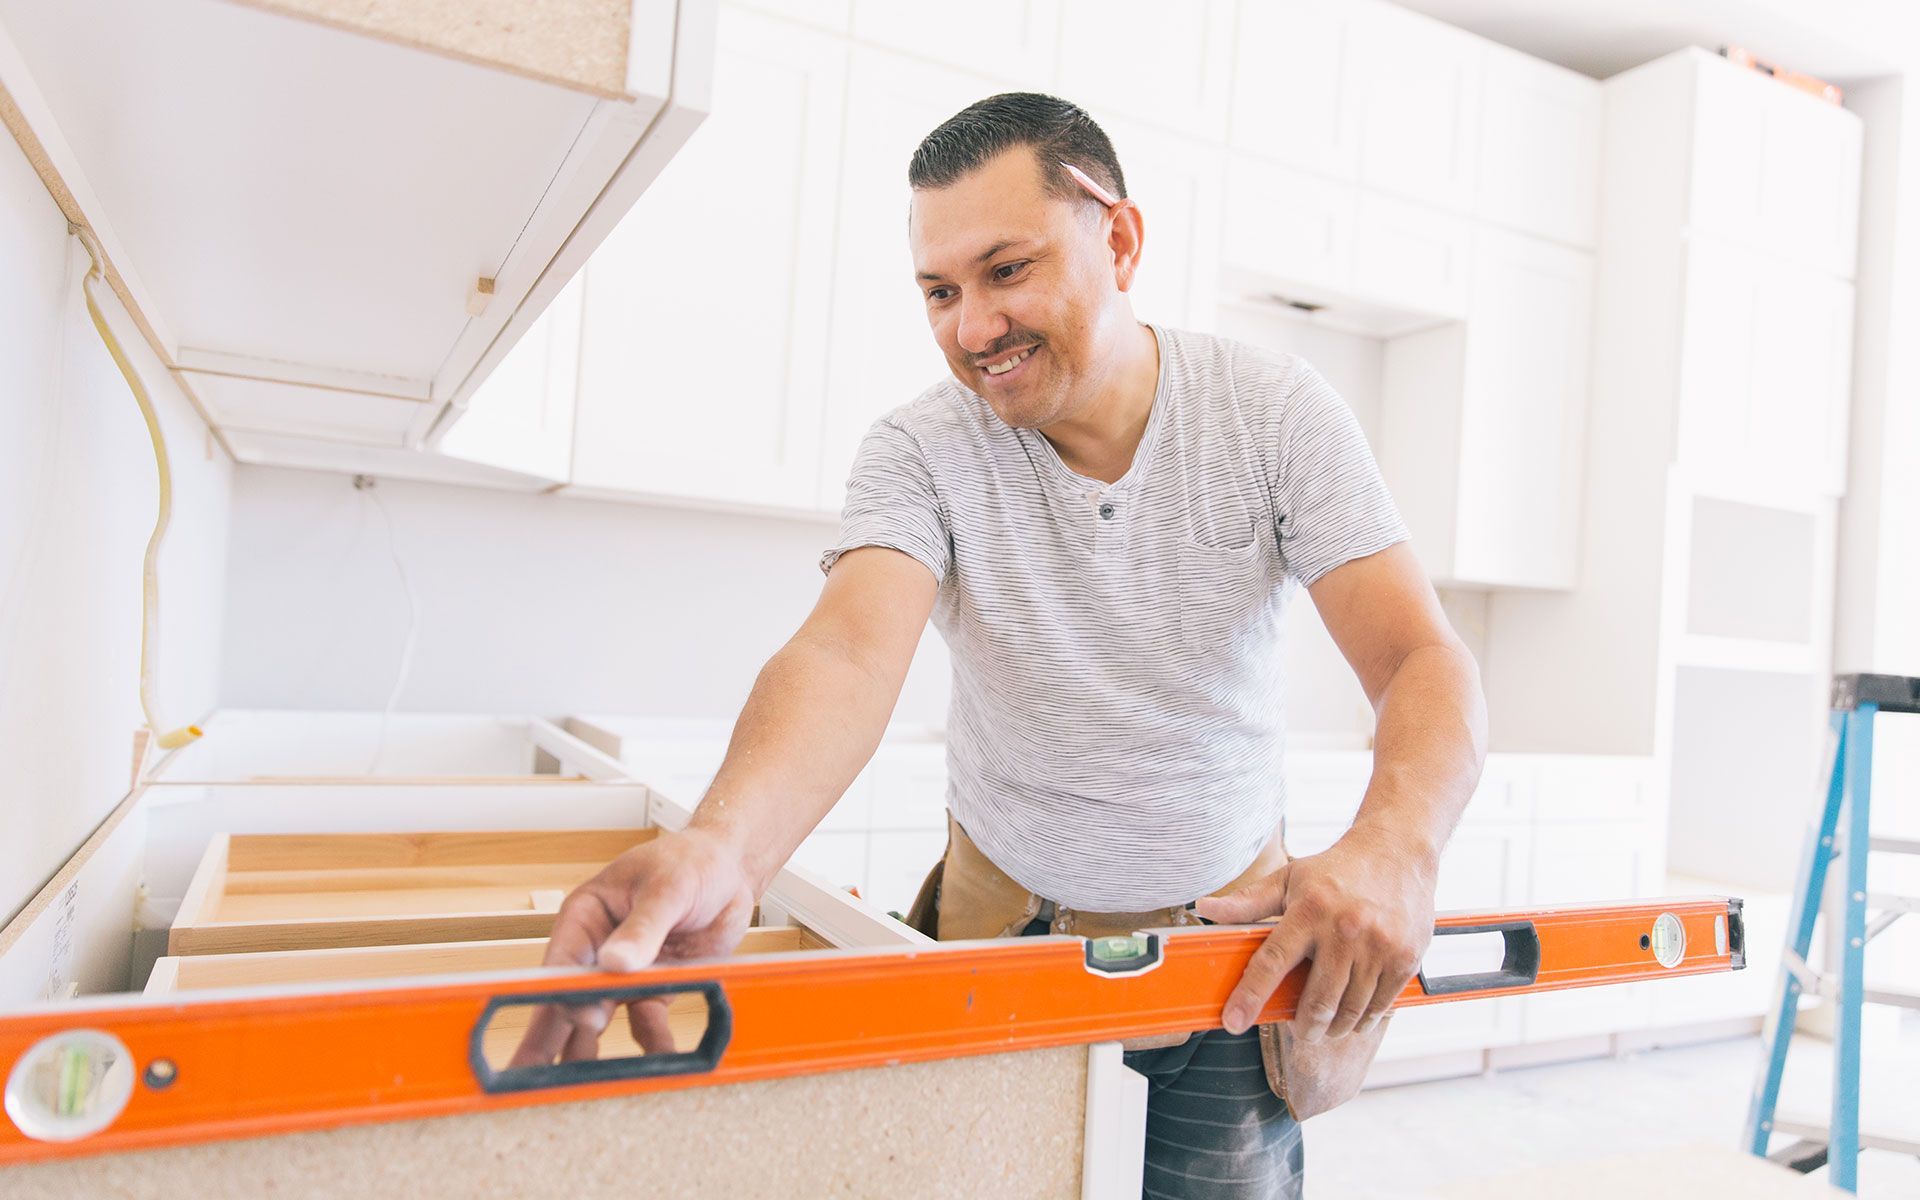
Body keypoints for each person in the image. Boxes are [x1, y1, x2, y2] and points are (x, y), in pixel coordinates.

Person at [517, 92, 1487, 1199]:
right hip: (999, 937)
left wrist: (1394, 850)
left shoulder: (1273, 415)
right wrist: (726, 851)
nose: (973, 327)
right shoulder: (920, 450)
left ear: (1117, 241)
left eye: (1007, 271)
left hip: (1226, 962)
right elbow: (845, 654)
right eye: (941, 291)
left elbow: (1420, 658)